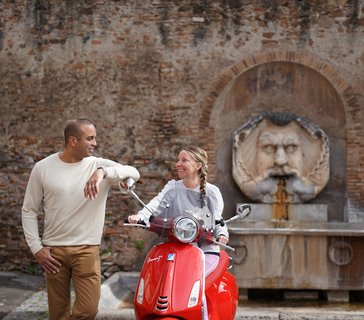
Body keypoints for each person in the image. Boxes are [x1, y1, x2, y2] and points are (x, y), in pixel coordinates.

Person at [21, 118, 140, 320]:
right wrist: (36, 248)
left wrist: (102, 172)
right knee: (57, 314)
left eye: (95, 138)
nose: (95, 143)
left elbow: (134, 172)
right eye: (90, 138)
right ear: (73, 141)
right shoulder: (43, 168)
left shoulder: (98, 165)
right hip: (53, 252)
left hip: (86, 249)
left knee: (88, 310)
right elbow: (29, 210)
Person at [127, 145, 228, 319]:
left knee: (194, 285)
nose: (178, 164)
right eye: (178, 160)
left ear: (197, 165)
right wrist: (141, 217)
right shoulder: (173, 187)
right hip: (176, 249)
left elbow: (219, 219)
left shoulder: (211, 192)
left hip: (204, 252)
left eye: (184, 160)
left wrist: (222, 234)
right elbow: (155, 204)